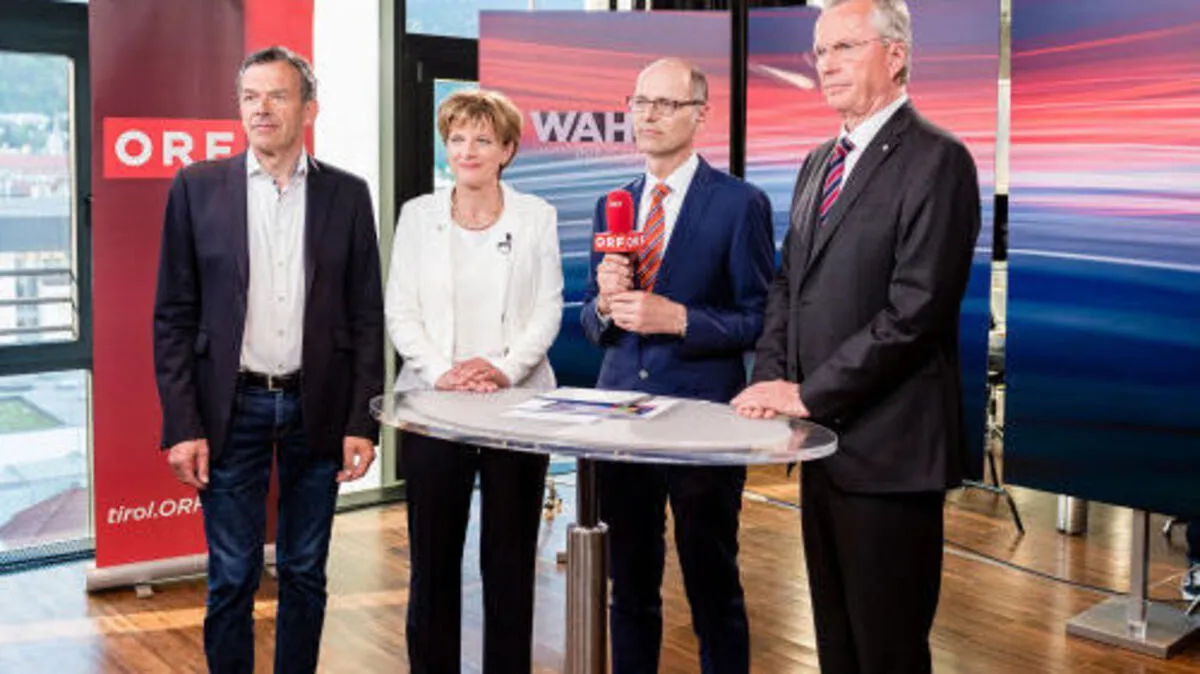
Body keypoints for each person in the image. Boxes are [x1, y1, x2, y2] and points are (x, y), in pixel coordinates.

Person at [732, 1, 982, 671]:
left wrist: (809, 391)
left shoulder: (939, 160)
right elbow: (788, 283)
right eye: (819, 52)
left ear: (895, 55)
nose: (826, 65)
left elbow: (915, 311)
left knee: (888, 651)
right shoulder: (819, 161)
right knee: (837, 645)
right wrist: (771, 378)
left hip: (891, 455)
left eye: (845, 47)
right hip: (823, 450)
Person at [153, 46, 383, 674]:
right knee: (231, 575)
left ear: (309, 109)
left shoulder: (348, 194)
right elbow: (173, 315)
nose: (261, 108)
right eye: (251, 96)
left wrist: (364, 421)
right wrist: (183, 425)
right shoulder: (197, 188)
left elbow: (367, 317)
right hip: (232, 407)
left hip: (321, 406)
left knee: (306, 571)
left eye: (277, 95)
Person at [580, 58, 775, 674]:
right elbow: (591, 316)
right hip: (621, 422)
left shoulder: (740, 204)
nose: (650, 115)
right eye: (641, 103)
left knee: (712, 585)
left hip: (703, 423)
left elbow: (761, 317)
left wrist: (682, 319)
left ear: (700, 115)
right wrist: (607, 306)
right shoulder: (613, 203)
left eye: (666, 104)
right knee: (630, 587)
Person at [385, 89, 564, 673]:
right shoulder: (418, 216)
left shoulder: (537, 216)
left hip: (515, 405)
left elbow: (548, 309)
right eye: (458, 138)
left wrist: (504, 368)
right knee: (433, 563)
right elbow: (400, 311)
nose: (468, 150)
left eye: (483, 139)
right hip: (436, 408)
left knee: (509, 561)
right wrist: (444, 373)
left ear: (507, 149)